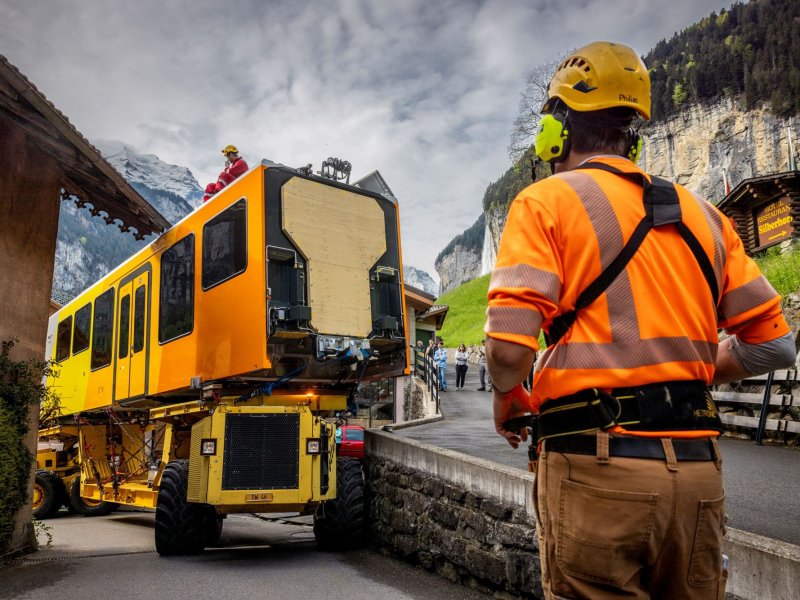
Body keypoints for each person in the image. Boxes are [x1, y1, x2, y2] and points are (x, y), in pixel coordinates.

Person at [485, 41, 795, 600]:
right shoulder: (706, 216)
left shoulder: (543, 202)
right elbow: (775, 349)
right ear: (634, 134)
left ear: (555, 132)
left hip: (597, 469)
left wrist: (507, 397)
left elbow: (508, 353)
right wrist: (694, 368)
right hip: (700, 476)